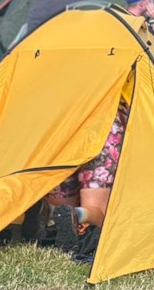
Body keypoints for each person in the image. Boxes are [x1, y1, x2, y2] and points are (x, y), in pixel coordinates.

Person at [33, 100, 129, 259]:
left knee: (60, 210)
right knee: (96, 209)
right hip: (104, 121)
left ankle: (45, 214)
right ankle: (77, 214)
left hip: (57, 122)